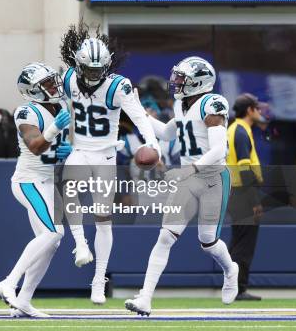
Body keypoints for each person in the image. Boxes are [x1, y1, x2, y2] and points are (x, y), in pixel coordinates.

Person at [125, 56, 239, 316]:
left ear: (198, 82)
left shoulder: (212, 104)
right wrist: (138, 112)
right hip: (189, 178)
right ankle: (145, 298)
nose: (175, 82)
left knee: (207, 241)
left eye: (181, 79)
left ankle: (230, 269)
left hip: (213, 177)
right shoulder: (181, 104)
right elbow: (166, 132)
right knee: (165, 236)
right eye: (176, 77)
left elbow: (219, 148)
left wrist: (189, 168)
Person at [60, 32, 160, 305]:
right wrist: (54, 138)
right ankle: (80, 244)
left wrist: (152, 143)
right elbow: (56, 109)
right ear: (79, 65)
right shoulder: (68, 78)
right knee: (69, 192)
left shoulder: (119, 86)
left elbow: (139, 117)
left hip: (105, 156)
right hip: (80, 151)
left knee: (103, 219)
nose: (93, 74)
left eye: (97, 69)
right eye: (89, 69)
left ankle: (98, 279)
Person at [0, 62, 71, 318]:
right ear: (33, 90)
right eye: (47, 84)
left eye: (53, 81)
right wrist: (54, 129)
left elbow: (53, 150)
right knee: (51, 233)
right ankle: (9, 282)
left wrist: (66, 153)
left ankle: (24, 301)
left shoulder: (59, 106)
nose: (54, 86)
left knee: (51, 241)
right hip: (28, 182)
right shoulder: (26, 112)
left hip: (47, 181)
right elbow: (36, 146)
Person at [227, 93, 266, 301]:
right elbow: (244, 169)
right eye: (257, 108)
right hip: (243, 193)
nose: (260, 111)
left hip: (235, 192)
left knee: (238, 241)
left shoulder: (234, 129)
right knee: (244, 244)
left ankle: (233, 287)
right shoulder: (241, 131)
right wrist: (254, 201)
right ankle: (238, 289)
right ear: (250, 110)